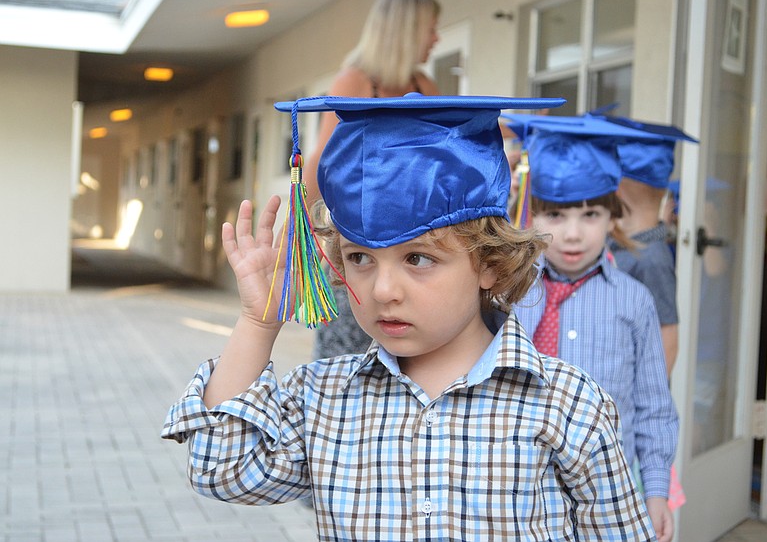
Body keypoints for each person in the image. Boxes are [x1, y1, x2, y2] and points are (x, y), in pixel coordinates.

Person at [161, 94, 658, 540]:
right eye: (360, 258)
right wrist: (258, 322)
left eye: (418, 259)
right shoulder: (322, 398)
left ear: (488, 263)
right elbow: (220, 469)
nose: (382, 291)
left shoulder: (569, 405)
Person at [509, 115, 679, 542]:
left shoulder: (634, 300)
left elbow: (654, 405)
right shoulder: (508, 294)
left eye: (589, 214)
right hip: (517, 490)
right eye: (555, 214)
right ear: (534, 212)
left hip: (606, 492)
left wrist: (656, 491)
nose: (571, 233)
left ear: (611, 217)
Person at [303, 0, 441, 360]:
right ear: (406, 29)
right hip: (359, 233)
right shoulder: (356, 81)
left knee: (407, 345)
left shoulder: (422, 85)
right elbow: (323, 160)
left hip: (413, 233)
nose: (436, 38)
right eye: (430, 27)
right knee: (348, 346)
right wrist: (305, 231)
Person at [604, 118, 697, 377]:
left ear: (617, 190)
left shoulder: (652, 259)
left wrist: (649, 399)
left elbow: (668, 339)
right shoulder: (620, 246)